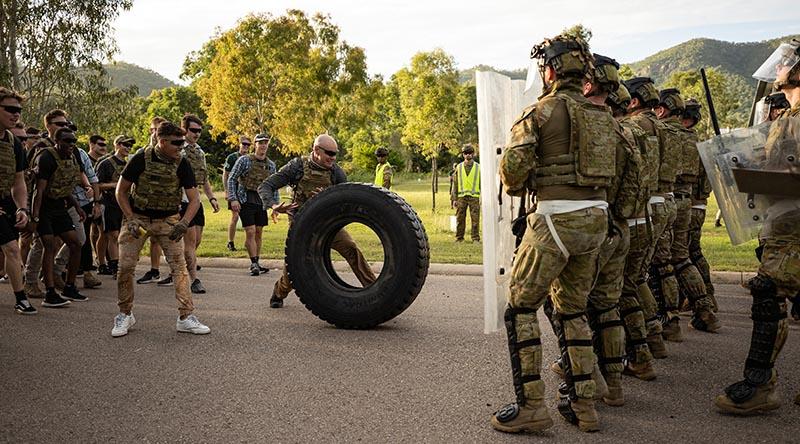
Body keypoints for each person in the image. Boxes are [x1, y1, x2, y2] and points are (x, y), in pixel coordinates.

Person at [492, 34, 615, 433]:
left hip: (554, 222)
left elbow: (512, 174)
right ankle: (585, 407)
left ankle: (531, 406)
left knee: (521, 308)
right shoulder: (606, 118)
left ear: (552, 70)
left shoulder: (541, 112)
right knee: (572, 310)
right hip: (595, 222)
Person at [715, 38, 800, 414]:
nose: (778, 68)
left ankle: (759, 384)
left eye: (785, 63)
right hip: (783, 218)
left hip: (795, 223)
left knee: (768, 292)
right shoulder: (786, 117)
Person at [112, 121, 210, 337]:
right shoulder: (140, 159)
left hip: (168, 219)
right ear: (161, 141)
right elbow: (120, 192)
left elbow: (194, 199)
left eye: (183, 143)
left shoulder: (182, 163)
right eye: (176, 143)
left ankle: (186, 317)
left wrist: (184, 223)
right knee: (126, 266)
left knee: (179, 266)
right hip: (138, 219)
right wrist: (130, 218)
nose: (181, 147)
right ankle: (125, 314)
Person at [258, 134, 376, 308]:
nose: (333, 158)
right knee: (293, 273)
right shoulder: (297, 167)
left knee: (351, 249)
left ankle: (375, 289)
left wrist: (327, 197)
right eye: (329, 153)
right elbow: (266, 186)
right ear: (316, 150)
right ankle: (279, 292)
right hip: (302, 226)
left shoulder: (336, 171)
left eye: (335, 153)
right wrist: (274, 205)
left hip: (329, 223)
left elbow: (345, 200)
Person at [654, 89, 720, 333]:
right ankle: (705, 306)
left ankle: (670, 318)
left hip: (669, 201)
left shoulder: (663, 133)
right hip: (688, 202)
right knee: (683, 256)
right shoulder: (696, 142)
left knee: (663, 263)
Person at [621, 77, 676, 352]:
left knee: (628, 282)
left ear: (633, 101)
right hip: (661, 203)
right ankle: (654, 335)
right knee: (639, 276)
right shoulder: (664, 129)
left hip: (640, 207)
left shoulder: (631, 127)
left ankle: (644, 343)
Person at [29, 126, 87, 307]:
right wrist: (35, 218)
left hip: (60, 206)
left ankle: (69, 286)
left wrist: (77, 206)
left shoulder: (72, 157)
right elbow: (39, 191)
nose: (71, 144)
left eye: (73, 141)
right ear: (57, 141)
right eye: (67, 141)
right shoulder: (46, 157)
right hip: (44, 208)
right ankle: (50, 293)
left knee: (75, 243)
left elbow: (63, 185)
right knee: (50, 246)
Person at [176, 114, 220, 294]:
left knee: (196, 241)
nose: (197, 134)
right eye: (193, 130)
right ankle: (194, 280)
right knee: (190, 241)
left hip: (197, 201)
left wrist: (212, 198)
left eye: (199, 131)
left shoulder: (200, 152)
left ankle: (179, 267)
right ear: (184, 130)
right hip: (184, 201)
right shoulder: (178, 150)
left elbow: (205, 178)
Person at [0, 87, 35, 314]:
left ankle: (20, 298)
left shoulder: (13, 143)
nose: (16, 114)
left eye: (19, 110)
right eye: (10, 109)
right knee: (11, 248)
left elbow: (19, 180)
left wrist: (22, 208)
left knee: (11, 249)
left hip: (4, 202)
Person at [681, 98, 717, 313]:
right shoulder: (700, 145)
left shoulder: (685, 144)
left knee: (684, 256)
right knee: (693, 252)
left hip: (689, 206)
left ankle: (703, 301)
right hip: (699, 207)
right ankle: (702, 297)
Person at [227, 134, 276, 275]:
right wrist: (233, 198)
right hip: (245, 199)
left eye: (265, 143)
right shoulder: (244, 160)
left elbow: (273, 186)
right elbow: (232, 178)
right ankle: (253, 263)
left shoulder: (270, 165)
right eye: (260, 143)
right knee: (250, 231)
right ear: (255, 145)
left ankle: (257, 261)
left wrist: (275, 206)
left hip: (261, 202)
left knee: (259, 232)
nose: (263, 145)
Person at [135, 116, 169, 285]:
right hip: (143, 205)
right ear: (151, 131)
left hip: (164, 204)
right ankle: (153, 270)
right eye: (157, 130)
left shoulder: (168, 153)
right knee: (142, 237)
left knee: (162, 238)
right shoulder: (142, 153)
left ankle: (167, 271)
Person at [95, 135, 132, 281]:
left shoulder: (129, 165)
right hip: (108, 203)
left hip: (123, 205)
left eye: (129, 146)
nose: (128, 148)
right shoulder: (106, 163)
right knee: (111, 235)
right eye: (125, 145)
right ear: (117, 145)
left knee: (122, 236)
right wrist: (115, 185)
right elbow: (97, 184)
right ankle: (111, 265)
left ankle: (117, 263)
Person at [223, 135, 252, 252]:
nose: (246, 147)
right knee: (235, 216)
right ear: (239, 144)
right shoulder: (232, 158)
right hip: (234, 190)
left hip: (246, 192)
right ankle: (231, 242)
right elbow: (226, 174)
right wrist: (227, 191)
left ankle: (248, 242)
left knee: (248, 219)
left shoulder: (251, 158)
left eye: (248, 145)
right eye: (244, 144)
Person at [450, 144, 481, 243]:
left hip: (474, 197)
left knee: (475, 219)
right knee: (460, 218)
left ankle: (475, 238)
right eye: (465, 153)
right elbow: (455, 183)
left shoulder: (478, 167)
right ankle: (459, 237)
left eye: (469, 153)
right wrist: (454, 199)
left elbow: (482, 183)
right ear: (463, 155)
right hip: (461, 197)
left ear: (473, 154)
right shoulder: (458, 167)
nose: (467, 155)